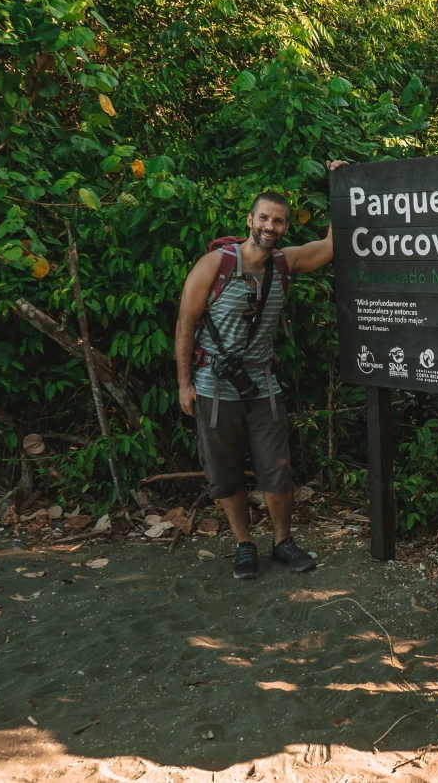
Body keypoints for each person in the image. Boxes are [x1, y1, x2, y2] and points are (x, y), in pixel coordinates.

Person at [174, 163, 345, 579]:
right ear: (250, 220)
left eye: (278, 221)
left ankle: (282, 542)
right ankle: (243, 545)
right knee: (225, 471)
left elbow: (332, 245)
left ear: (285, 227)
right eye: (264, 218)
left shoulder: (285, 263)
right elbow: (185, 324)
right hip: (214, 385)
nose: (270, 227)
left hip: (262, 384)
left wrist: (340, 184)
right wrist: (183, 384)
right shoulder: (215, 265)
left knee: (276, 468)